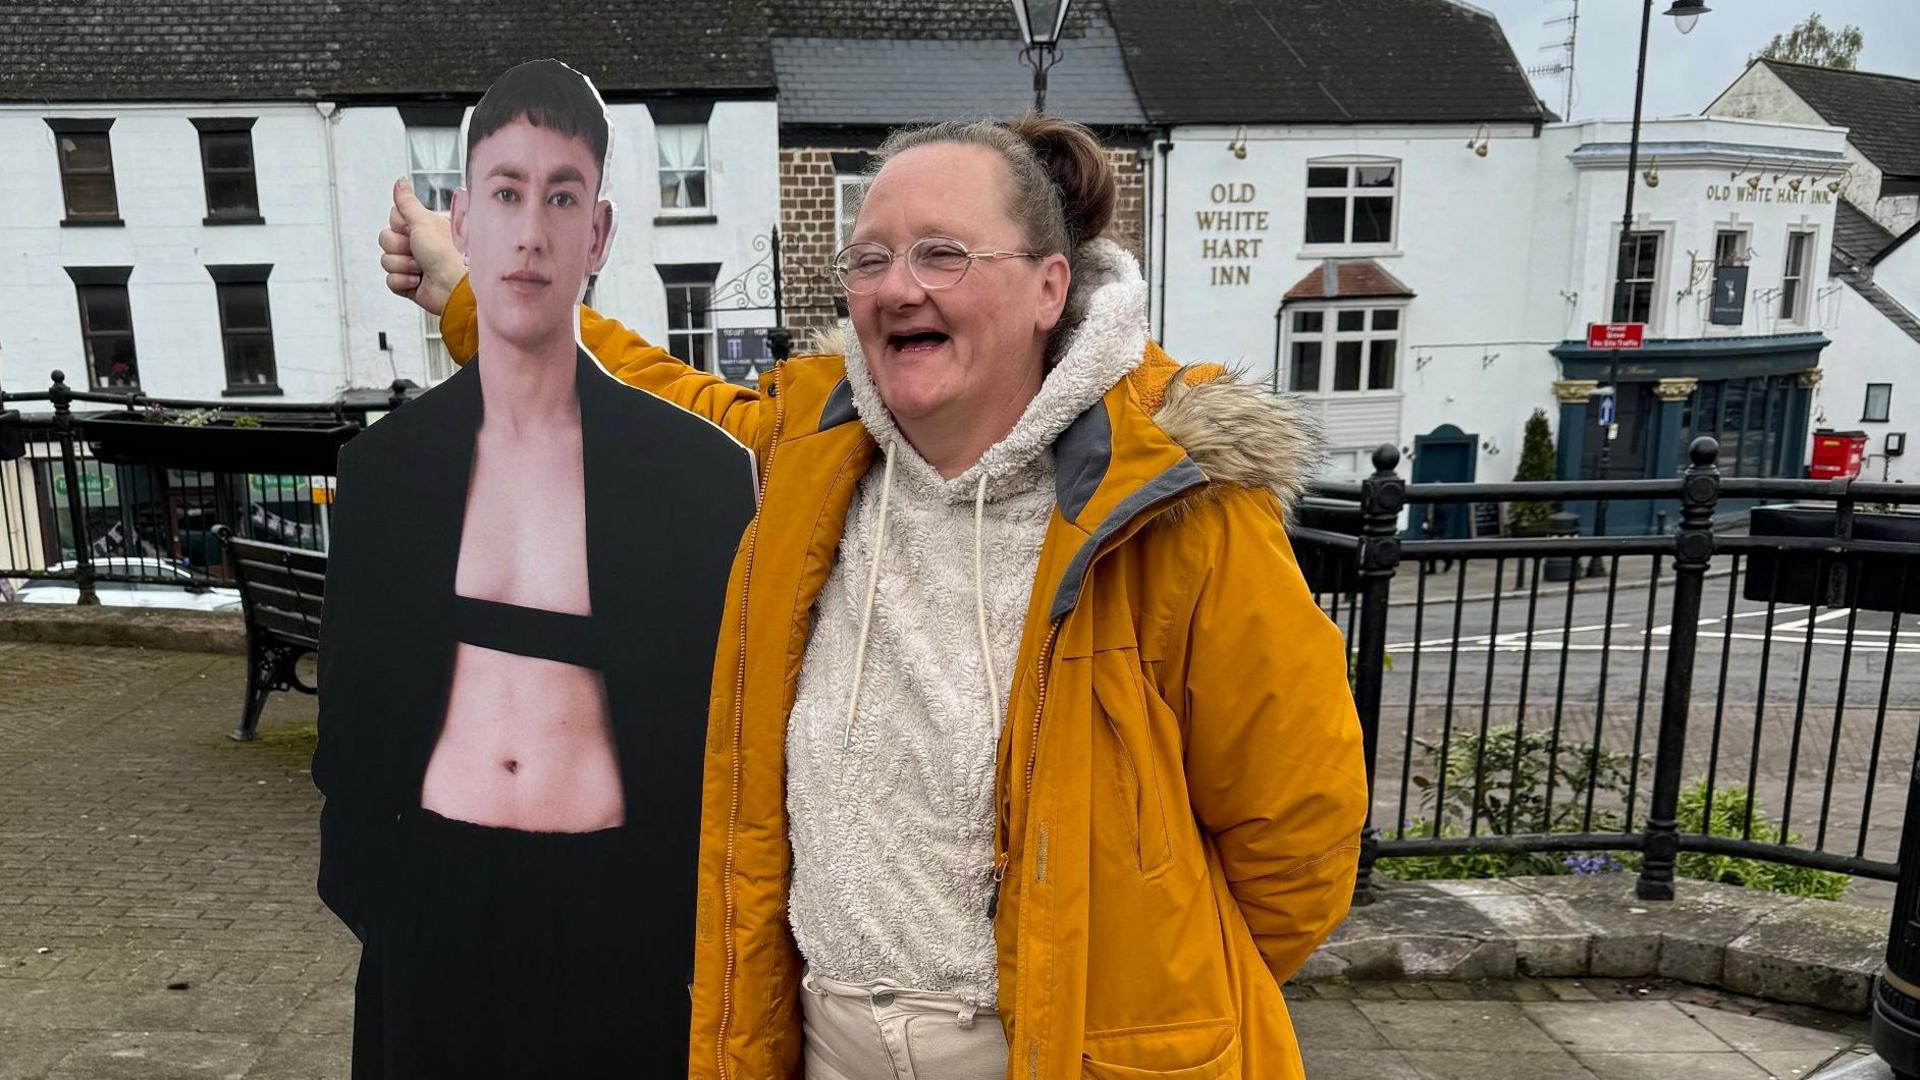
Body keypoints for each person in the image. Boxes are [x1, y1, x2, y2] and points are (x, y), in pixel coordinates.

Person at [383, 113, 1368, 1080]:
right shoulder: (812, 453)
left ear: (1047, 286)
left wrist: (1141, 994)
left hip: (1068, 1051)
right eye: (871, 260)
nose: (898, 288)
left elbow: (1301, 833)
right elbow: (631, 407)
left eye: (942, 255)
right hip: (829, 1044)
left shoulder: (1174, 502)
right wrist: (473, 293)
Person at [318, 59, 753, 1078]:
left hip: (619, 920)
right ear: (464, 220)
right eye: (507, 194)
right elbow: (352, 720)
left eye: (562, 197)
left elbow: (721, 738)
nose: (532, 231)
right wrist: (384, 896)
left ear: (596, 233)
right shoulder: (388, 470)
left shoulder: (695, 475)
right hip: (433, 906)